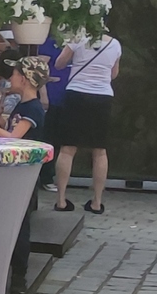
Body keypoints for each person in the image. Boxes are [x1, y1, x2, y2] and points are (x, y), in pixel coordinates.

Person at [49, 31, 121, 214]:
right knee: (100, 151)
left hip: (77, 94)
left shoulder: (77, 38)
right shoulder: (115, 44)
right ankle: (97, 202)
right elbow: (114, 74)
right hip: (103, 97)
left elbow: (59, 63)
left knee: (67, 149)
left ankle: (61, 200)